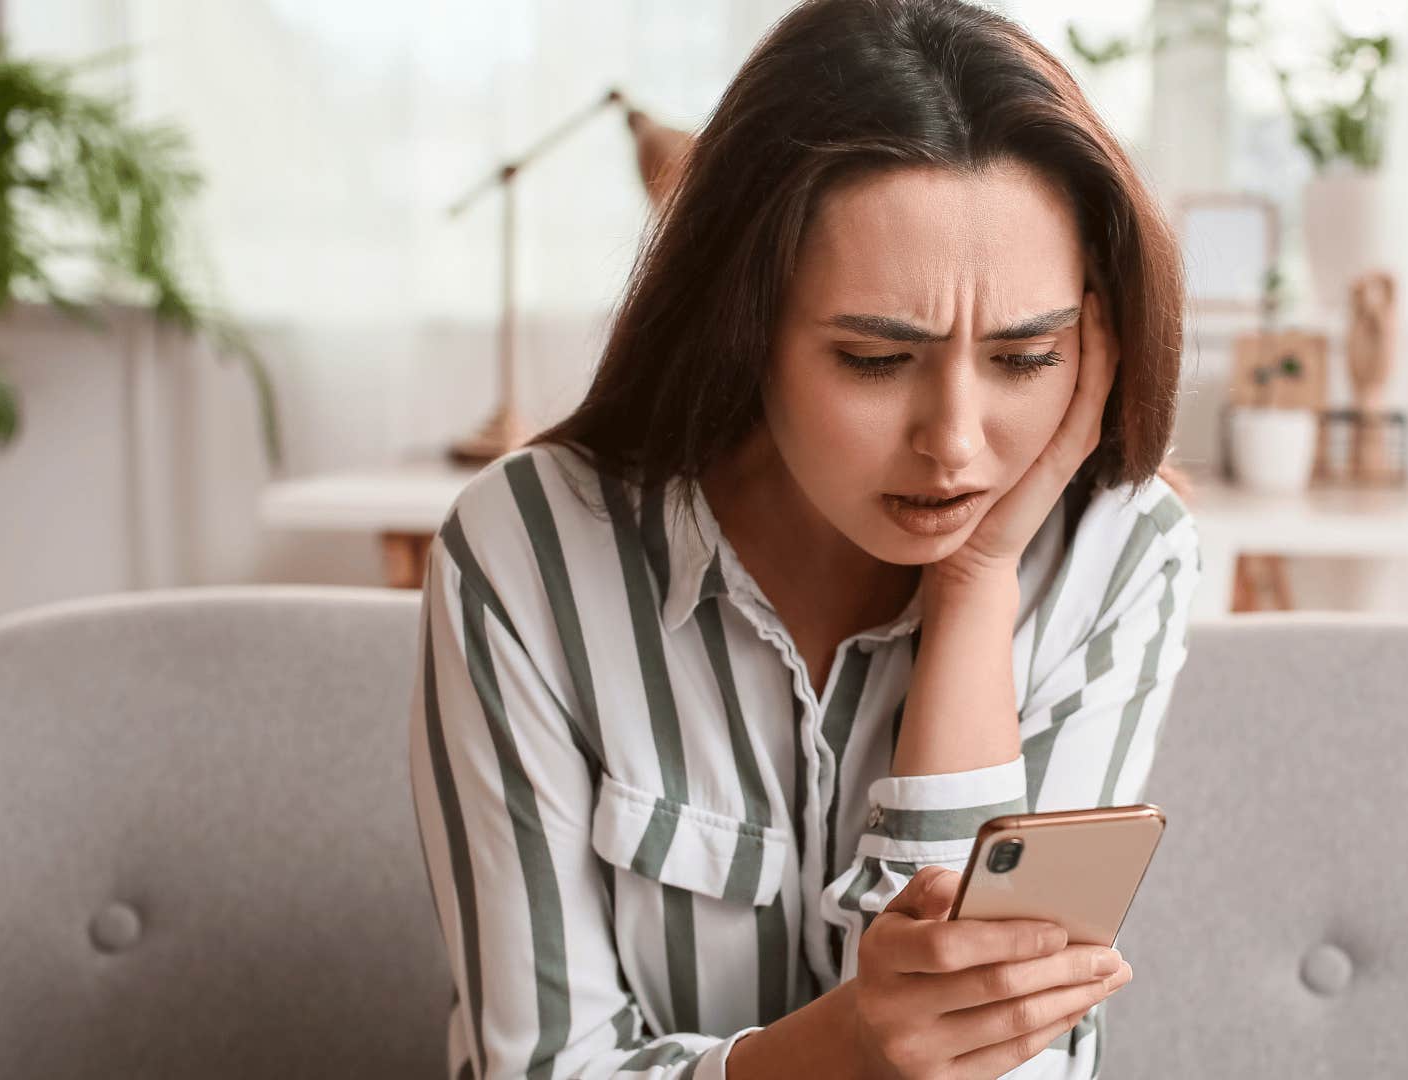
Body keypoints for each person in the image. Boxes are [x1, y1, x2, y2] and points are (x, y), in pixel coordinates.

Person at [407, 0, 1199, 1076]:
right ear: (744, 323)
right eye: (875, 360)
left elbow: (1009, 1066)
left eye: (1022, 358)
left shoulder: (1117, 555)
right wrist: (848, 1047)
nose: (957, 446)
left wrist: (974, 587)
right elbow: (542, 1067)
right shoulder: (528, 555)